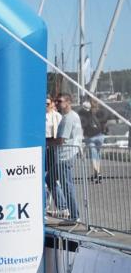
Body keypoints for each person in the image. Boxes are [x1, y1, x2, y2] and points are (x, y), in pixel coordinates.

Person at [49, 93, 83, 224]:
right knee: (49, 179)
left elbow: (61, 140)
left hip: (66, 156)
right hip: (64, 156)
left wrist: (44, 142)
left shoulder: (69, 118)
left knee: (67, 186)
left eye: (59, 101)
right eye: (56, 101)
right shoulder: (70, 116)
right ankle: (64, 208)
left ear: (68, 102)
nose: (56, 103)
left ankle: (75, 216)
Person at [78, 100, 106, 183]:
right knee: (98, 155)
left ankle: (98, 173)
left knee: (93, 156)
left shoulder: (82, 114)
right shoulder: (98, 113)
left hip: (90, 137)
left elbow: (82, 128)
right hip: (100, 135)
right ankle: (96, 173)